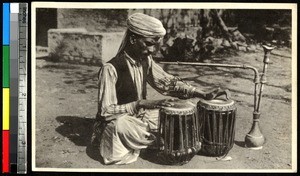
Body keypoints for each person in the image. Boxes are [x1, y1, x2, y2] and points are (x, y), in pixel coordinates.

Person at [92, 13, 228, 165]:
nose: (152, 50)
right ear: (132, 40)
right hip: (119, 122)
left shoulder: (145, 60)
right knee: (120, 126)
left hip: (141, 118)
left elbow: (166, 82)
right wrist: (140, 104)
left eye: (155, 45)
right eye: (149, 43)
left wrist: (201, 93)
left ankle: (165, 142)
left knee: (184, 113)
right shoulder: (110, 69)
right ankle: (160, 142)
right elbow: (105, 111)